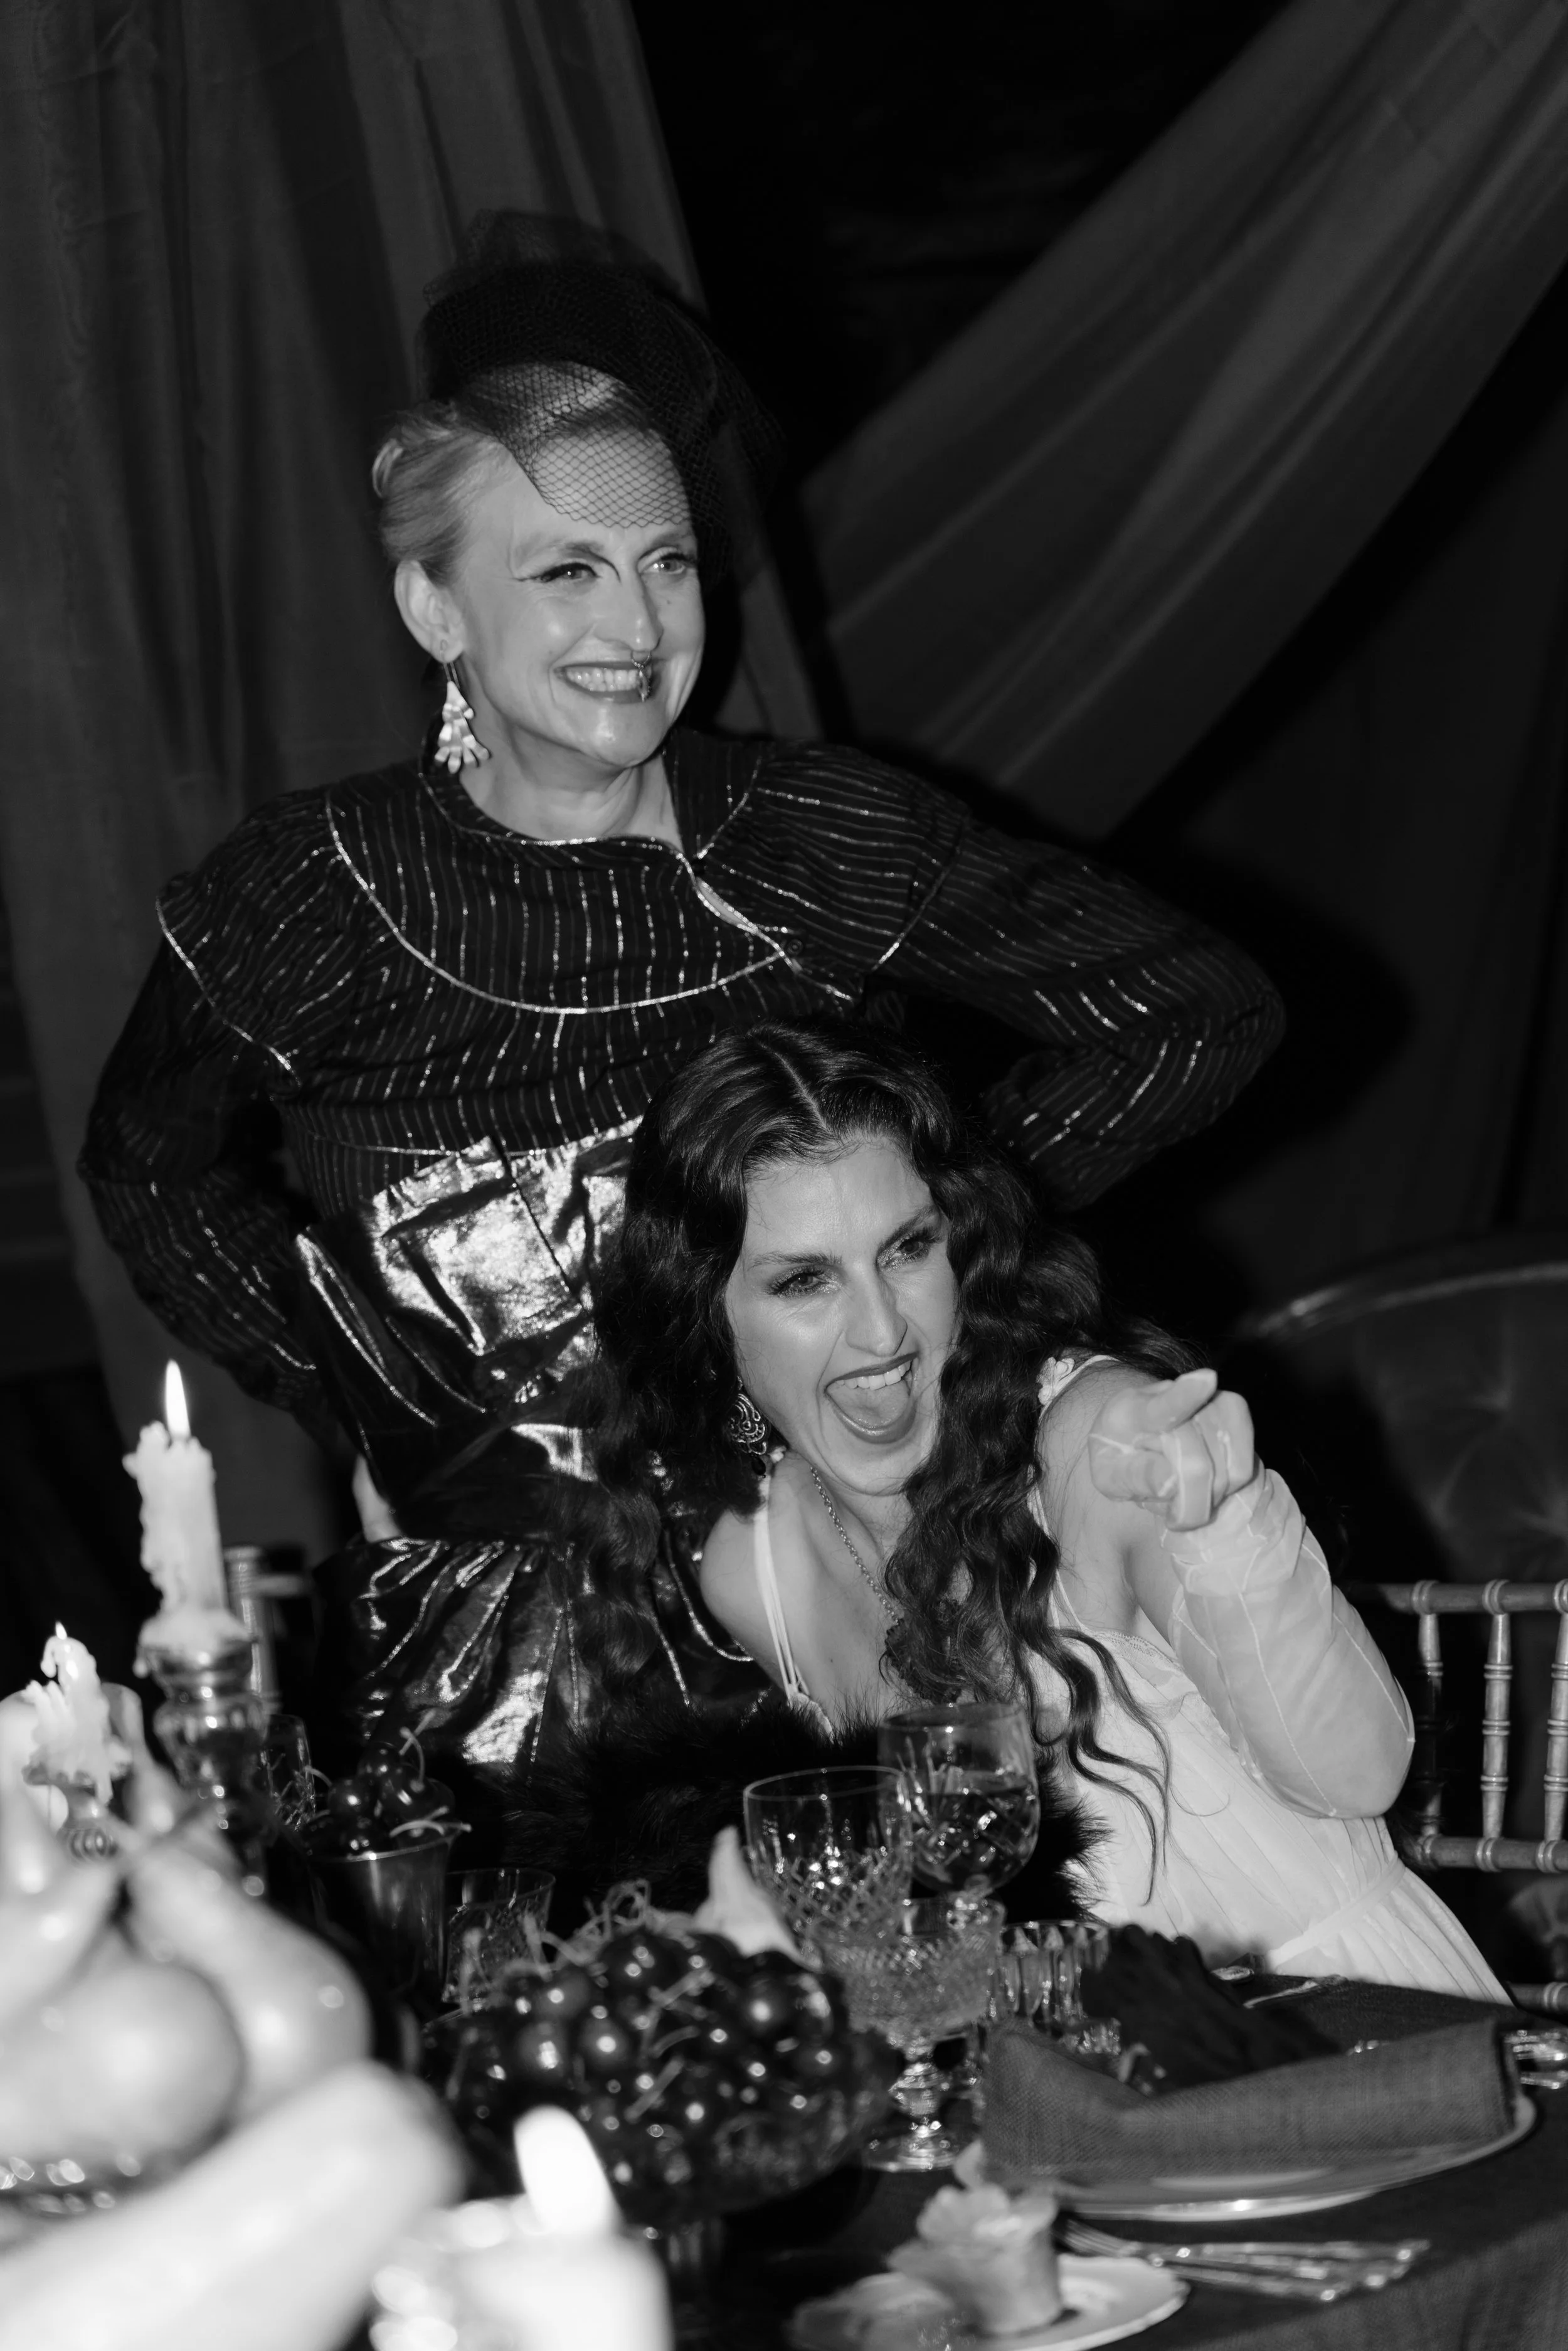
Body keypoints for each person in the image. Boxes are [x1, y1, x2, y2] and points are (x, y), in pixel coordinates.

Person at [80, 214, 1281, 1807]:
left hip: (863, 1590)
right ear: (436, 610)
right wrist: (365, 1384)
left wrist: (923, 1232)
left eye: (665, 564)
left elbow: (1187, 1012)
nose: (636, 628)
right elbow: (148, 1166)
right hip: (527, 1647)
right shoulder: (317, 890)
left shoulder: (810, 836)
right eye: (564, 570)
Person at [588, 1018, 1505, 1998]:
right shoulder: (757, 1566)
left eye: (906, 1250)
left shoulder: (1093, 1442)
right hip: (1069, 2094)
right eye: (805, 1280)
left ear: (961, 1249)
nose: (882, 1328)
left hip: (1338, 2036)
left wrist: (1231, 1521)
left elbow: (1357, 1775)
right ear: (708, 1321)